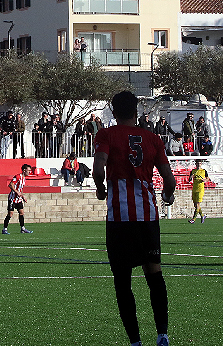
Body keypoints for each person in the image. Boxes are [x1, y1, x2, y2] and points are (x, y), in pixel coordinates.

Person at [94, 91, 175, 346]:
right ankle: (162, 334)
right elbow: (169, 180)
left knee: (122, 281)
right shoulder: (152, 138)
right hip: (147, 218)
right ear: (136, 111)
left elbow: (98, 168)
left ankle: (135, 342)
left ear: (114, 111)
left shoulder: (107, 135)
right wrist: (168, 195)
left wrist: (100, 188)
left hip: (120, 219)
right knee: (154, 275)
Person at [2, 163, 33, 234]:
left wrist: (22, 196)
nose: (29, 172)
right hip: (12, 199)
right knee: (10, 214)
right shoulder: (18, 176)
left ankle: (23, 228)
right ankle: (4, 229)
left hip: (18, 199)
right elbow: (11, 184)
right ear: (24, 170)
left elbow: (20, 189)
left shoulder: (24, 178)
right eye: (28, 170)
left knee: (21, 213)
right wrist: (17, 192)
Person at [187, 159, 208, 224]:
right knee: (196, 205)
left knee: (198, 204)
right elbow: (189, 179)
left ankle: (194, 219)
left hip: (200, 189)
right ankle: (202, 215)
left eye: (200, 163)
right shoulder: (193, 171)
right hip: (194, 189)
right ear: (195, 164)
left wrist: (204, 180)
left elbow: (207, 178)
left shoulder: (204, 171)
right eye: (197, 163)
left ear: (201, 164)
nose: (198, 164)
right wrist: (191, 177)